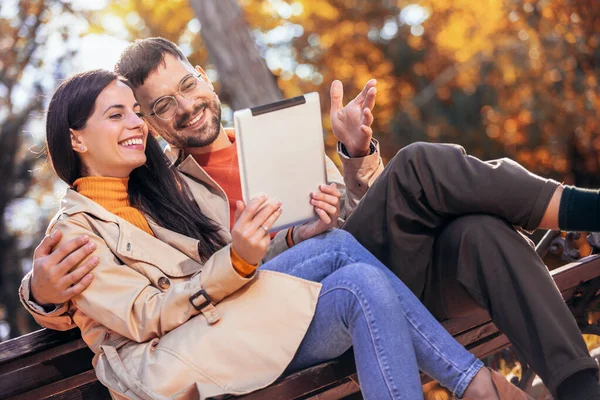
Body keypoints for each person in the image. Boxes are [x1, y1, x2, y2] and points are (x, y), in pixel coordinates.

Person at [21, 37, 600, 399]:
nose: (185, 106)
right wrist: (40, 296)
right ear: (152, 125)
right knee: (424, 174)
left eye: (187, 85)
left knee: (476, 230)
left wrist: (355, 157)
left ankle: (581, 386)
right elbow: (132, 275)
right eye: (160, 106)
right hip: (302, 308)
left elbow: (380, 212)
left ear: (202, 75)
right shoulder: (164, 195)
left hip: (387, 274)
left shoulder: (276, 136)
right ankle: (580, 210)